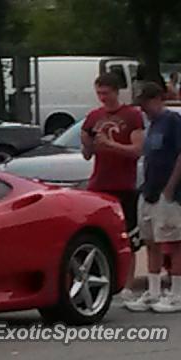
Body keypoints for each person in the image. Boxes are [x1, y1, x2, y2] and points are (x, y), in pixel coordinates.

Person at [81, 73, 145, 302]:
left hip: (123, 185)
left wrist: (111, 144)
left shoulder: (132, 115)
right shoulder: (94, 116)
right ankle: (100, 279)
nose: (102, 98)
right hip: (99, 183)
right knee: (97, 235)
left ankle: (127, 286)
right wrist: (86, 140)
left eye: (106, 93)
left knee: (127, 236)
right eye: (99, 93)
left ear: (116, 91)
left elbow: (137, 150)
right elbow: (87, 154)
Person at [125, 82, 181, 313]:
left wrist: (170, 188)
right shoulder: (153, 125)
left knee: (173, 241)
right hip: (148, 191)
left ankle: (177, 292)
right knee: (150, 241)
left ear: (158, 99)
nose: (143, 108)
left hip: (166, 193)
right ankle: (154, 290)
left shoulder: (172, 122)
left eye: (146, 103)